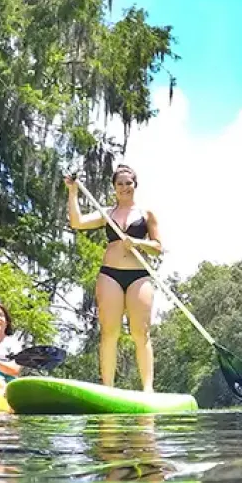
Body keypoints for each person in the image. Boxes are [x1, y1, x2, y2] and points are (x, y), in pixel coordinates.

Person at [65, 165, 163, 392]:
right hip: (110, 274)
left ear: (135, 185)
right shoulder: (106, 213)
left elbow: (158, 247)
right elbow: (76, 222)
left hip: (139, 275)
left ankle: (148, 389)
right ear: (114, 188)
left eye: (128, 183)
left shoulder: (146, 214)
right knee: (110, 331)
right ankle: (107, 386)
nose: (124, 187)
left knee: (141, 331)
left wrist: (138, 242)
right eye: (120, 183)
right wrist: (73, 192)